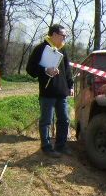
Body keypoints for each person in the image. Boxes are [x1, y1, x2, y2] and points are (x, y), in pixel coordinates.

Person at [25, 24, 73, 158]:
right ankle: (46, 147)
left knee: (64, 119)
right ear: (54, 35)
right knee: (46, 120)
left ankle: (61, 145)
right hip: (47, 92)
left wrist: (71, 85)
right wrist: (46, 70)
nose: (65, 38)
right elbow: (30, 69)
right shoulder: (41, 49)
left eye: (65, 35)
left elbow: (67, 70)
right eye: (63, 35)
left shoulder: (63, 50)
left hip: (62, 92)